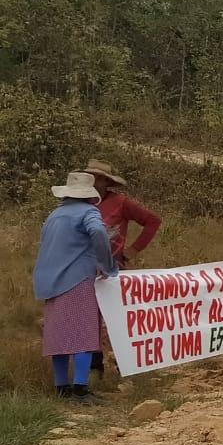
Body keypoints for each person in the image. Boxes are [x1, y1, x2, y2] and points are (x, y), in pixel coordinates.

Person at [32, 172, 117, 404]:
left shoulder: (54, 215)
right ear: (90, 196)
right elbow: (99, 232)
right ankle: (81, 389)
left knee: (58, 337)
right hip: (77, 278)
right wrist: (106, 264)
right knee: (84, 333)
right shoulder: (88, 212)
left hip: (50, 282)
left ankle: (62, 388)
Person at [84, 159, 162, 377]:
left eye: (96, 176)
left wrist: (132, 251)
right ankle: (94, 368)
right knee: (91, 318)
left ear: (104, 181)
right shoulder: (79, 201)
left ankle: (126, 365)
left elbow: (152, 221)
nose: (92, 180)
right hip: (83, 268)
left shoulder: (121, 203)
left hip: (112, 269)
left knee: (118, 318)